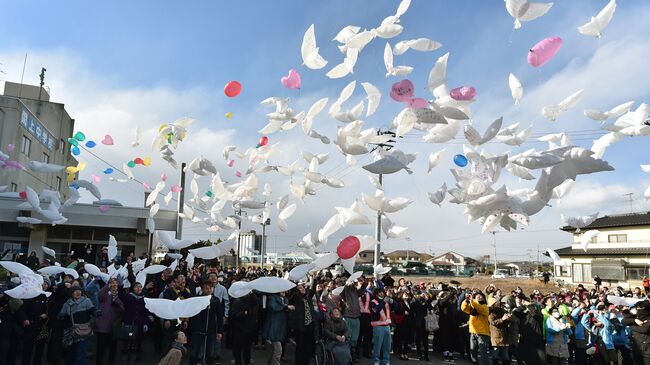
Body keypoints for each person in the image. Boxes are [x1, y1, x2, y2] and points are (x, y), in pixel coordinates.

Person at [58, 285, 96, 365]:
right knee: (70, 354)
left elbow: (92, 310)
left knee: (80, 354)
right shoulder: (66, 304)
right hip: (70, 332)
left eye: (79, 291)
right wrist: (61, 316)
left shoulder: (87, 301)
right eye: (75, 291)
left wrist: (96, 312)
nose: (78, 292)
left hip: (83, 331)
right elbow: (61, 316)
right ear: (71, 293)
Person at [189, 281, 224, 365]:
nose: (208, 290)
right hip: (198, 329)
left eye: (210, 288)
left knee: (210, 352)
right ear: (202, 289)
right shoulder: (197, 299)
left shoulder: (215, 300)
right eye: (206, 288)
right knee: (195, 351)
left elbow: (219, 317)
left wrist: (219, 331)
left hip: (211, 330)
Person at [94, 278, 124, 365]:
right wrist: (107, 286)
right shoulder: (105, 294)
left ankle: (111, 361)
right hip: (102, 325)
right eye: (112, 283)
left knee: (113, 347)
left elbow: (122, 309)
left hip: (114, 325)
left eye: (116, 284)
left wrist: (116, 302)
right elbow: (100, 295)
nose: (114, 285)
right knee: (100, 348)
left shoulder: (120, 295)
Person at [288, 282, 315, 365]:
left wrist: (312, 279)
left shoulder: (307, 297)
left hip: (309, 325)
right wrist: (295, 282)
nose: (302, 289)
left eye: (303, 287)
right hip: (300, 326)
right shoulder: (296, 297)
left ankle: (305, 362)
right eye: (300, 288)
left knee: (308, 346)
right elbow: (292, 294)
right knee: (300, 347)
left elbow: (312, 291)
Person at [262, 292, 292, 365]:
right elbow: (274, 307)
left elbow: (286, 310)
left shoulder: (285, 299)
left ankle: (270, 362)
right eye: (282, 290)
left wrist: (288, 309)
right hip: (274, 326)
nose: (284, 291)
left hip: (282, 326)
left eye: (284, 290)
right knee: (278, 350)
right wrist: (286, 307)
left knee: (274, 350)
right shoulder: (272, 298)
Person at [461, 292, 490, 365]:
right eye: (477, 296)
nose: (479, 297)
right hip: (473, 332)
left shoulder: (485, 306)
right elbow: (464, 308)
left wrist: (472, 301)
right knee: (473, 351)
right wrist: (467, 301)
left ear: (484, 298)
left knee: (483, 353)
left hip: (483, 333)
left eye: (481, 296)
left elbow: (480, 309)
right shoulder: (472, 306)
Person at [230, 290, 258, 365]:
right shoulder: (237, 301)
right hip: (239, 329)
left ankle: (247, 361)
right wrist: (244, 313)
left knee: (248, 348)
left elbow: (256, 301)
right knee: (238, 349)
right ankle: (238, 362)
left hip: (249, 328)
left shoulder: (250, 300)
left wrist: (251, 292)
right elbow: (233, 314)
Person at [370, 287, 393, 365]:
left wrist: (392, 300)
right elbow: (376, 310)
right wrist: (384, 301)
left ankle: (386, 360)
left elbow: (396, 308)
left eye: (383, 292)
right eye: (380, 292)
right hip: (378, 327)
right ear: (376, 293)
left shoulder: (386, 301)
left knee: (387, 345)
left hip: (387, 326)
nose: (382, 293)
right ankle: (376, 360)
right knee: (377, 345)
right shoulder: (373, 301)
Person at [341, 280, 361, 361]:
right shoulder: (345, 291)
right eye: (352, 283)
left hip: (356, 317)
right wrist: (346, 285)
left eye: (353, 283)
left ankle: (353, 354)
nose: (352, 284)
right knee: (348, 338)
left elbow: (362, 290)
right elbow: (341, 294)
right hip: (348, 317)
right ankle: (347, 356)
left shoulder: (356, 292)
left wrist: (361, 282)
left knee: (354, 339)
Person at [487, 297, 510, 365]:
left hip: (504, 335)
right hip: (496, 335)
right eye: (496, 302)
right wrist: (502, 319)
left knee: (505, 354)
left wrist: (508, 319)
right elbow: (493, 322)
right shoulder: (490, 313)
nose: (498, 303)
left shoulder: (502, 310)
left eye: (497, 302)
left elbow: (506, 322)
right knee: (495, 353)